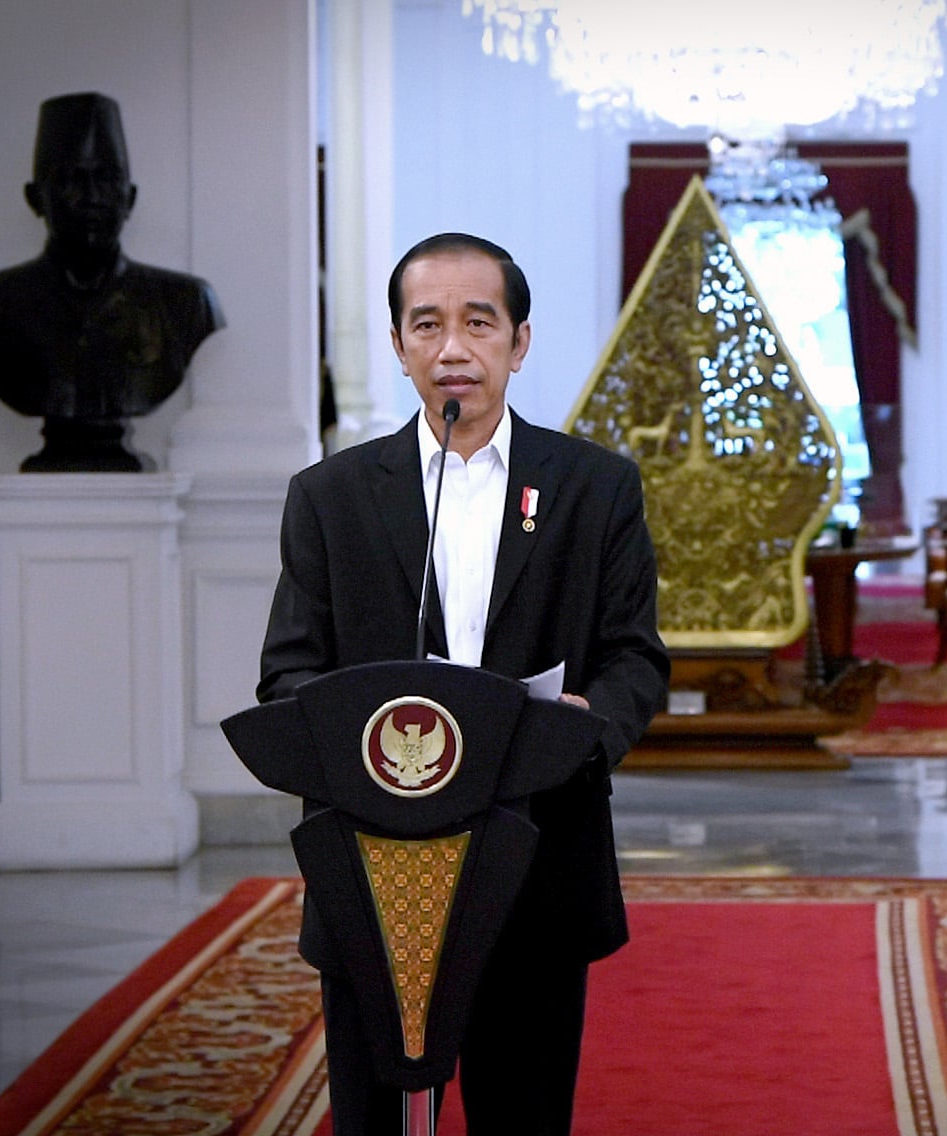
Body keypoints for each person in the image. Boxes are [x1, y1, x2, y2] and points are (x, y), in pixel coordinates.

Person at [258, 232, 669, 1134]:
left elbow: (635, 657)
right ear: (400, 345)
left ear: (519, 342)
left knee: (522, 1114)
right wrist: (348, 735)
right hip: (375, 869)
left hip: (535, 854)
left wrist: (585, 725)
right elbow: (288, 671)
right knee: (376, 1119)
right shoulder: (330, 498)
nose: (453, 349)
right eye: (427, 325)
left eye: (478, 324)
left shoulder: (594, 488)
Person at [0, 91, 223, 470]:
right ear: (35, 198)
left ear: (130, 198)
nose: (91, 198)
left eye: (107, 179)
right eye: (72, 179)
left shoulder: (186, 303)